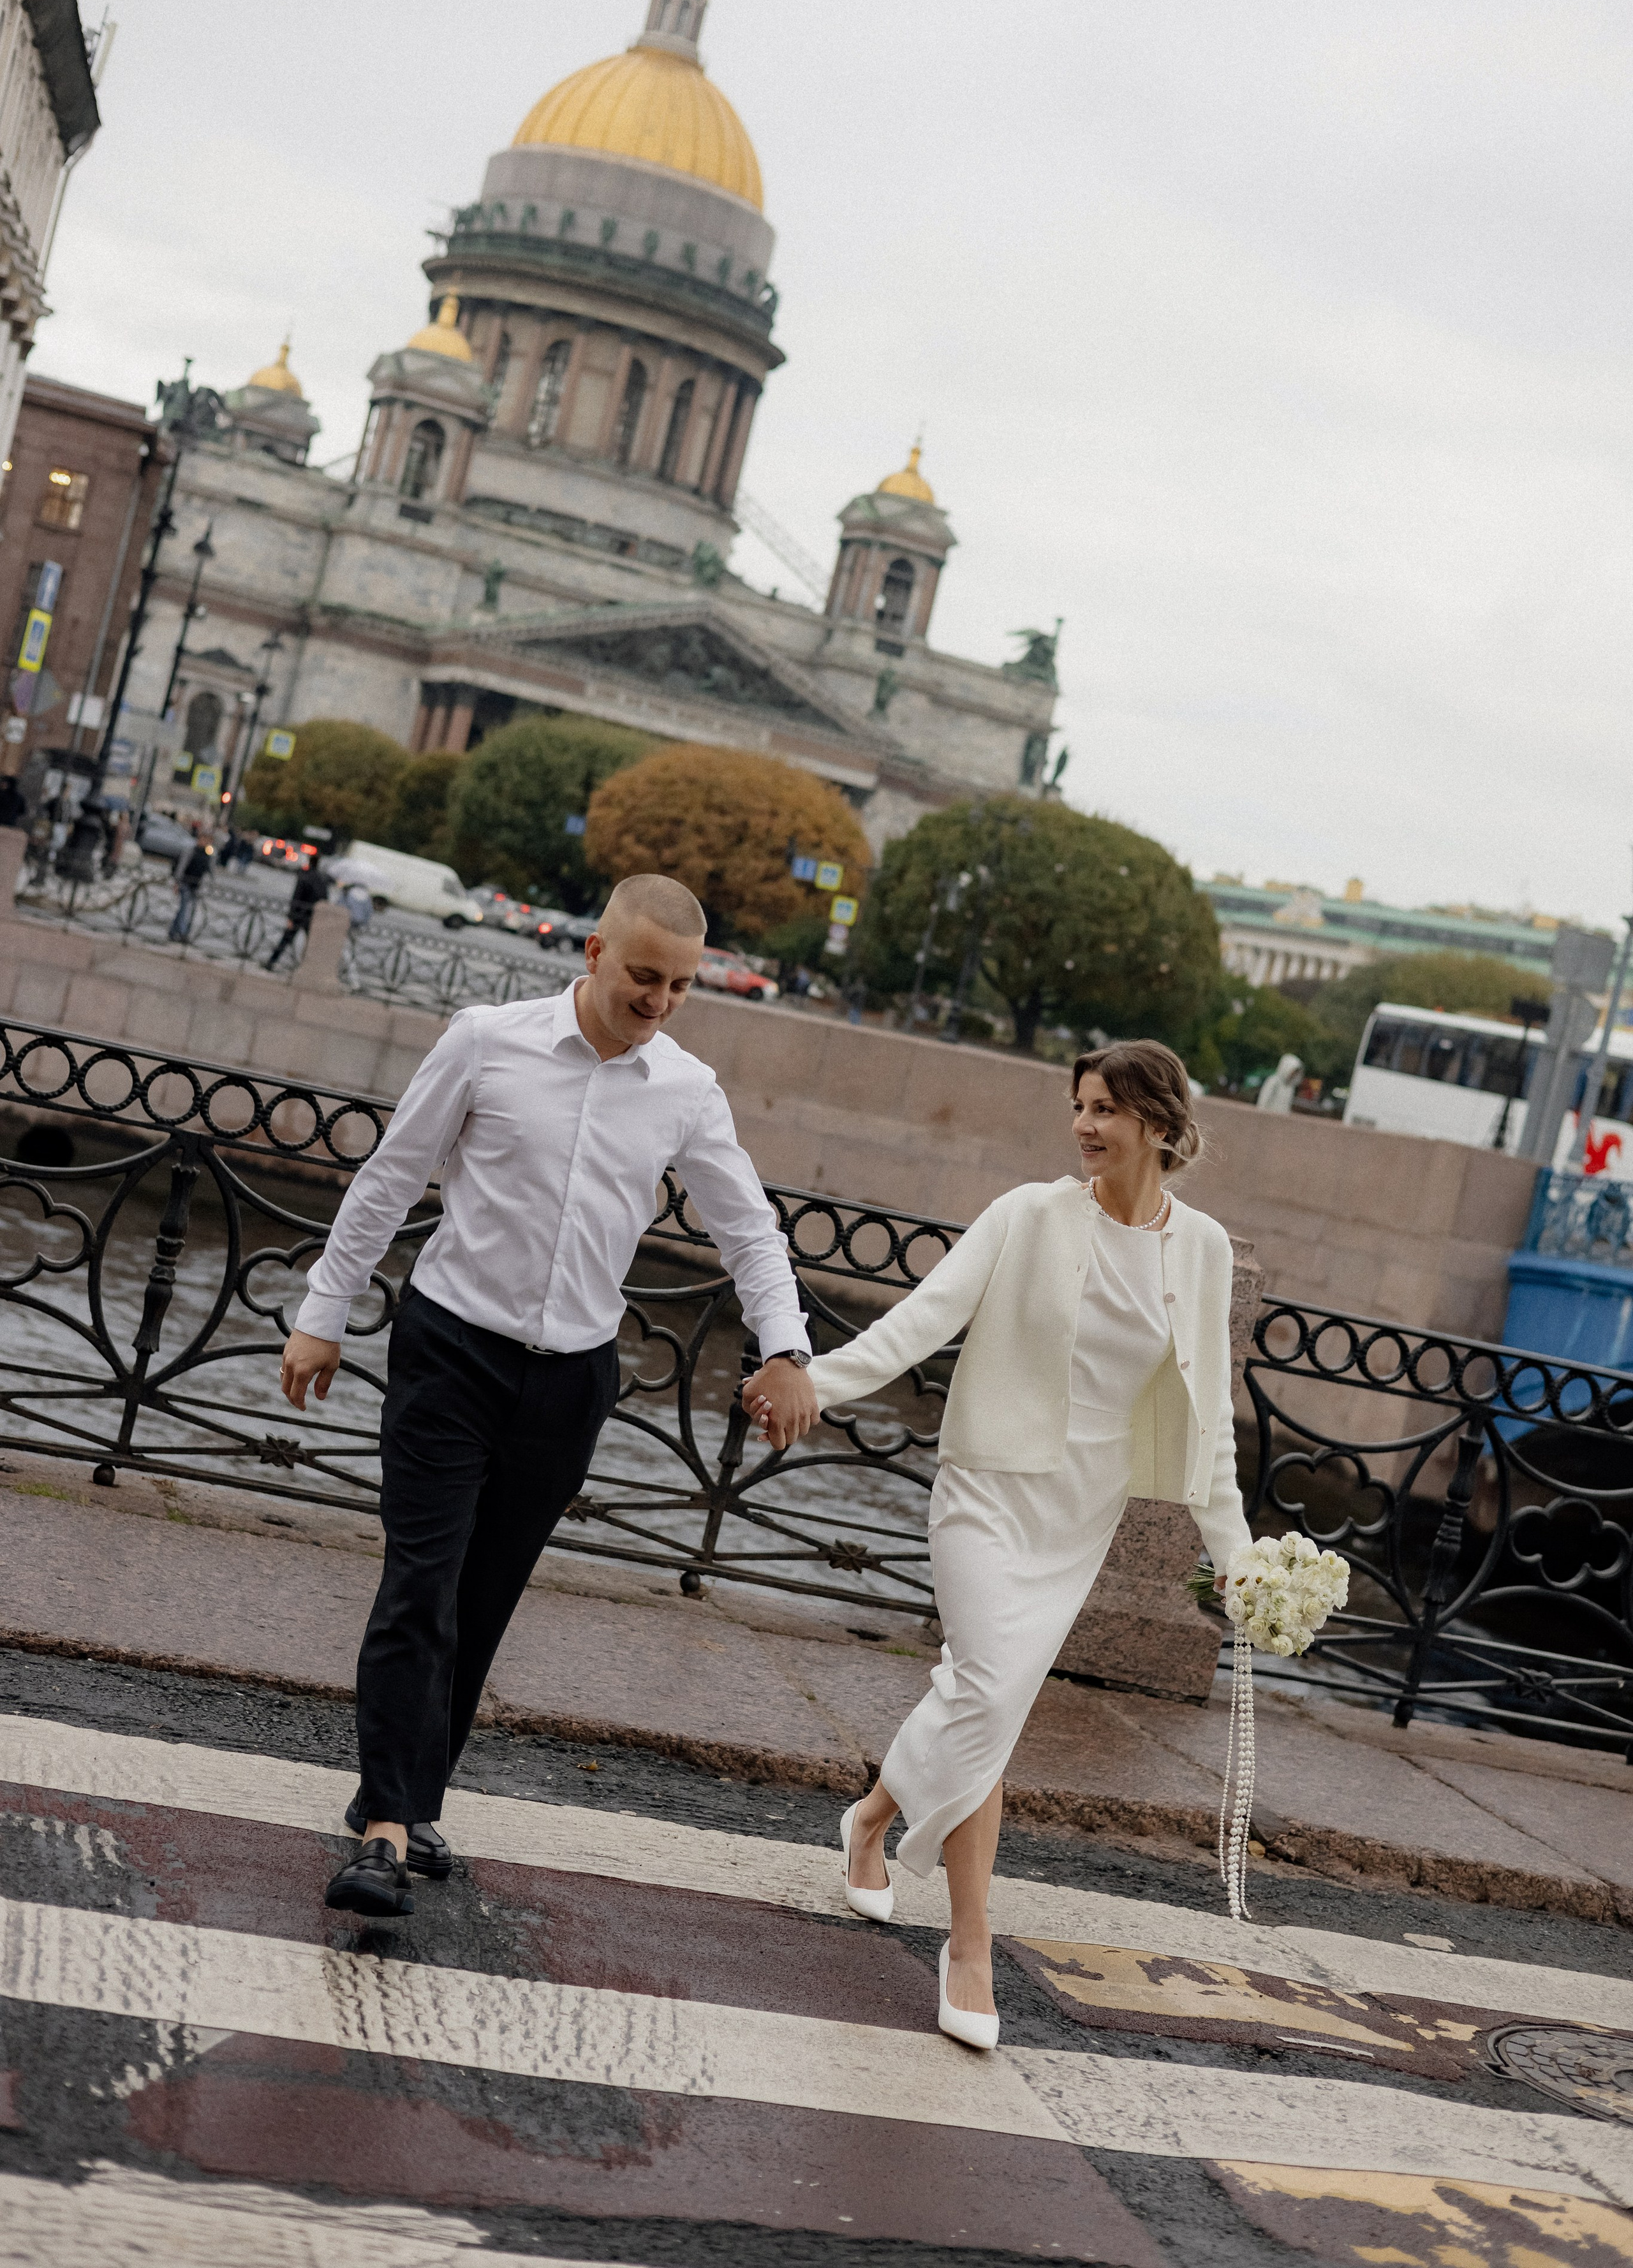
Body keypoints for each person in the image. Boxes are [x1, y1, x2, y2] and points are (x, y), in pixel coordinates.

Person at [277, 874, 818, 1918]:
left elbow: (748, 1229)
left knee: (483, 1600)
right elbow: (392, 1178)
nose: (658, 1000)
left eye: (679, 985)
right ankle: (382, 1831)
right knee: (420, 1586)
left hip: (571, 1379)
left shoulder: (686, 1091)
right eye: (643, 976)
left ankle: (415, 1798)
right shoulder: (487, 1040)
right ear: (594, 956)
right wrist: (323, 1312)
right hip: (450, 1352)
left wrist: (787, 1347)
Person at [740, 1039, 1250, 2052]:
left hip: (1080, 1519)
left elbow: (1210, 1420)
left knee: (983, 1703)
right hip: (985, 1495)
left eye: (1105, 1108)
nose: (1084, 1126)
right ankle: (969, 1943)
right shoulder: (1029, 1215)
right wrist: (811, 1378)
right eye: (1078, 1106)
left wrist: (1234, 1553)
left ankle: (874, 1818)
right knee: (987, 1697)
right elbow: (921, 1323)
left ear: (1156, 1119)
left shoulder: (1204, 1250)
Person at [265, 858, 329, 968]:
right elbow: (325, 899)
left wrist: (291, 917)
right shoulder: (322, 880)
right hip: (312, 916)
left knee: (286, 940)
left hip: (299, 915)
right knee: (312, 943)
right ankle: (308, 967)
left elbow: (296, 898)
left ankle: (272, 962)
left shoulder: (304, 877)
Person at [167, 834, 214, 940]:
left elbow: (209, 870)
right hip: (185, 883)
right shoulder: (191, 851)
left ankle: (173, 931)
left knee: (185, 910)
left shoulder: (207, 855)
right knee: (184, 909)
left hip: (196, 885)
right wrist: (177, 882)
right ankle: (183, 933)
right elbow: (182, 867)